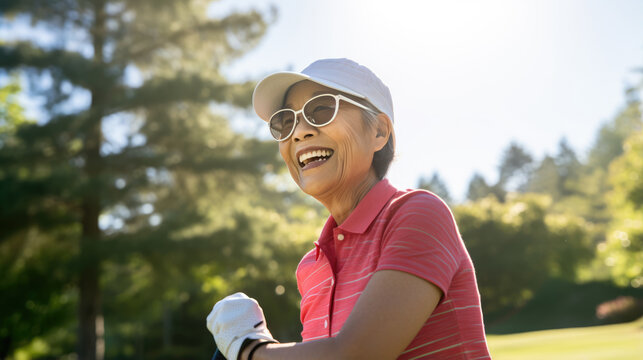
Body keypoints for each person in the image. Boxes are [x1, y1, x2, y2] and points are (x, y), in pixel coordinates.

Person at [207, 58, 491, 360]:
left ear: (379, 132)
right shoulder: (310, 267)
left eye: (322, 109)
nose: (300, 132)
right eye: (285, 121)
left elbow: (356, 354)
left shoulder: (418, 213)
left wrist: (250, 348)